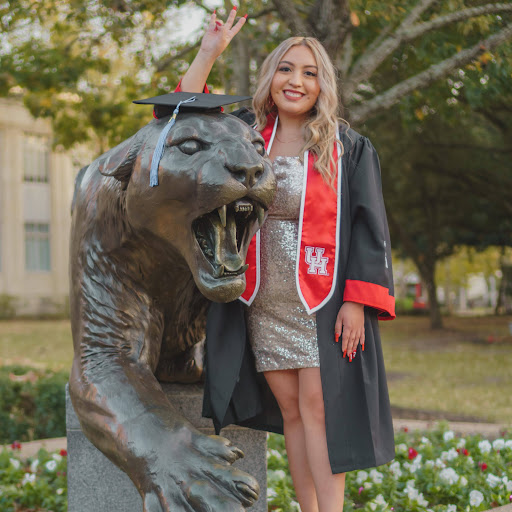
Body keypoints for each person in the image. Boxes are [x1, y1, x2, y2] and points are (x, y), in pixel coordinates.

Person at [177, 8, 396, 512]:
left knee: (321, 412)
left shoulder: (346, 148)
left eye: (309, 72)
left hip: (320, 301)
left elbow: (369, 227)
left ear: (323, 85)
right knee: (293, 414)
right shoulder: (245, 135)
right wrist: (208, 51)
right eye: (285, 69)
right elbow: (184, 116)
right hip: (262, 300)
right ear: (269, 76)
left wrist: (358, 302)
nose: (295, 81)